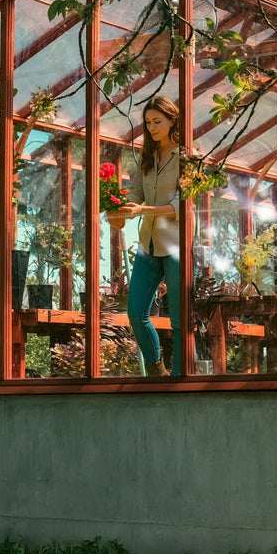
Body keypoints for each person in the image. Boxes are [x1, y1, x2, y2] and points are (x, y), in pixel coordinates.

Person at [111, 95, 181, 377]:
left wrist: (144, 208)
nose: (151, 127)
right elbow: (137, 191)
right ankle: (156, 372)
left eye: (157, 121)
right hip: (148, 243)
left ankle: (181, 378)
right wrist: (121, 207)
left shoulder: (186, 156)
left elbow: (183, 205)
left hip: (176, 244)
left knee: (178, 319)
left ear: (172, 119)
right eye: (148, 122)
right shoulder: (147, 156)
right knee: (136, 313)